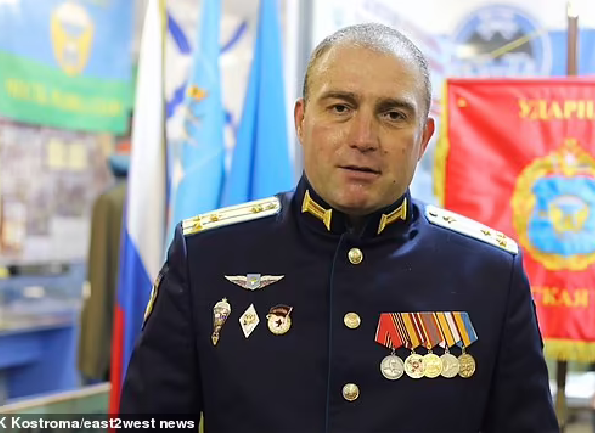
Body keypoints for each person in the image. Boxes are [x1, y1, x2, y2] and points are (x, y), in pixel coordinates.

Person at [120, 23, 559, 433]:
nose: (363, 137)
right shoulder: (207, 255)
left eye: (393, 115)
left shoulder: (488, 272)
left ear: (424, 138)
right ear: (301, 121)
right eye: (340, 108)